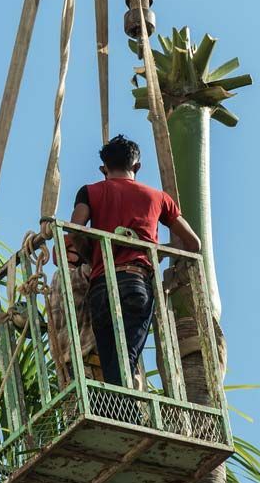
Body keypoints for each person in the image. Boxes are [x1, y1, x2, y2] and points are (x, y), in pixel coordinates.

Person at [62, 135, 201, 387]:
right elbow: (193, 244)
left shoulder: (90, 191)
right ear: (137, 167)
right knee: (126, 357)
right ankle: (124, 415)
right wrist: (156, 251)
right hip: (136, 283)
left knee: (111, 360)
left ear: (104, 169)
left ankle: (116, 411)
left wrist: (90, 254)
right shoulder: (158, 197)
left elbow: (74, 232)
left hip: (101, 287)